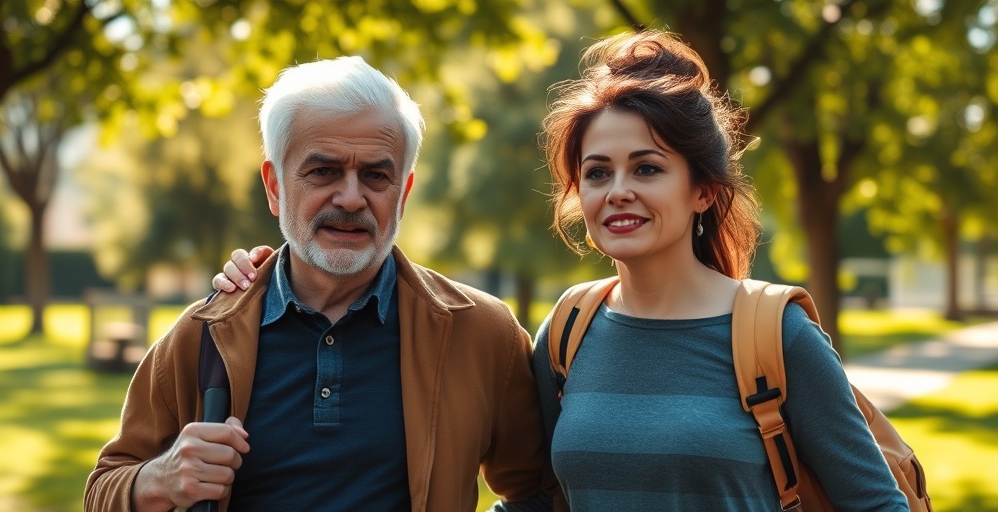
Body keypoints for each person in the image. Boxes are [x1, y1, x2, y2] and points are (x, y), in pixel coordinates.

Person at [216, 31, 911, 511]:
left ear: (702, 190)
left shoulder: (774, 335)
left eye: (648, 168)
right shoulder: (570, 333)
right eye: (597, 172)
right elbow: (539, 498)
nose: (618, 192)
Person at [85, 55, 556, 512]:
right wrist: (159, 479)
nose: (352, 198)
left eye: (376, 175)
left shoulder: (480, 332)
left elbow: (541, 490)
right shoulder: (205, 334)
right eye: (323, 171)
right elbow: (103, 489)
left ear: (404, 193)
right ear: (274, 186)